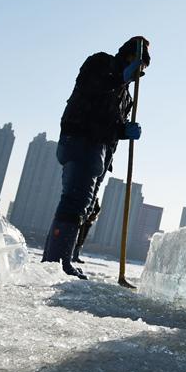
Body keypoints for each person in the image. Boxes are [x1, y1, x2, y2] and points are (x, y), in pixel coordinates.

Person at [42, 36, 150, 279]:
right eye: (138, 66)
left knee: (85, 205)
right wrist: (119, 77)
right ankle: (57, 262)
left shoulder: (127, 97)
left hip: (101, 152)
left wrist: (125, 131)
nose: (138, 74)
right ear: (129, 57)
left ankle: (56, 260)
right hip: (80, 141)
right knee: (76, 201)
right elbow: (93, 88)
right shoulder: (100, 63)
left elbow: (111, 125)